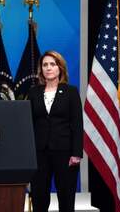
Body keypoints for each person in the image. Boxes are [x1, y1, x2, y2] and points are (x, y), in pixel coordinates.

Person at [28, 50, 83, 212]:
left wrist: (76, 153)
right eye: (45, 65)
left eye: (52, 64)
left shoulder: (71, 92)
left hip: (65, 153)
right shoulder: (33, 92)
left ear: (60, 68)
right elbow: (29, 124)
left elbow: (77, 124)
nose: (48, 68)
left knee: (66, 198)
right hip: (39, 153)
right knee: (39, 197)